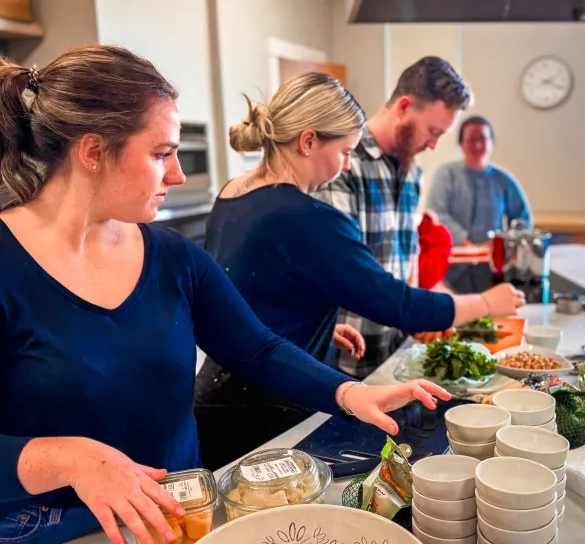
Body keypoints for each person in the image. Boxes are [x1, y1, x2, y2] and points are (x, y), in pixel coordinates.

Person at [0, 45, 451, 544]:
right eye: (162, 153)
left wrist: (350, 394)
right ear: (93, 151)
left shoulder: (172, 256)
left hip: (181, 521)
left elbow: (256, 349)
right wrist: (72, 459)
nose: (178, 174)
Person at [198, 74, 525, 469]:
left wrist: (313, 324)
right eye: (346, 151)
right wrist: (489, 301)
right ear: (308, 141)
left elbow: (243, 290)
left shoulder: (235, 190)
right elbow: (398, 304)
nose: (347, 164)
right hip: (266, 409)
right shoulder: (310, 219)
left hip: (216, 395)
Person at [312, 56, 473, 377]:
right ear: (403, 107)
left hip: (395, 354)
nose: (433, 144)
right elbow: (345, 271)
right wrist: (432, 310)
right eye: (432, 131)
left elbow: (406, 251)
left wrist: (418, 310)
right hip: (345, 361)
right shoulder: (343, 163)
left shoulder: (412, 171)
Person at [426, 116, 531, 246]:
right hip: (452, 256)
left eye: (482, 138)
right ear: (461, 144)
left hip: (492, 258)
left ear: (492, 143)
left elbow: (522, 218)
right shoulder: (446, 174)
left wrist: (503, 242)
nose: (477, 145)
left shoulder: (503, 180)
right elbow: (437, 214)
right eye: (471, 139)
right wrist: (465, 243)